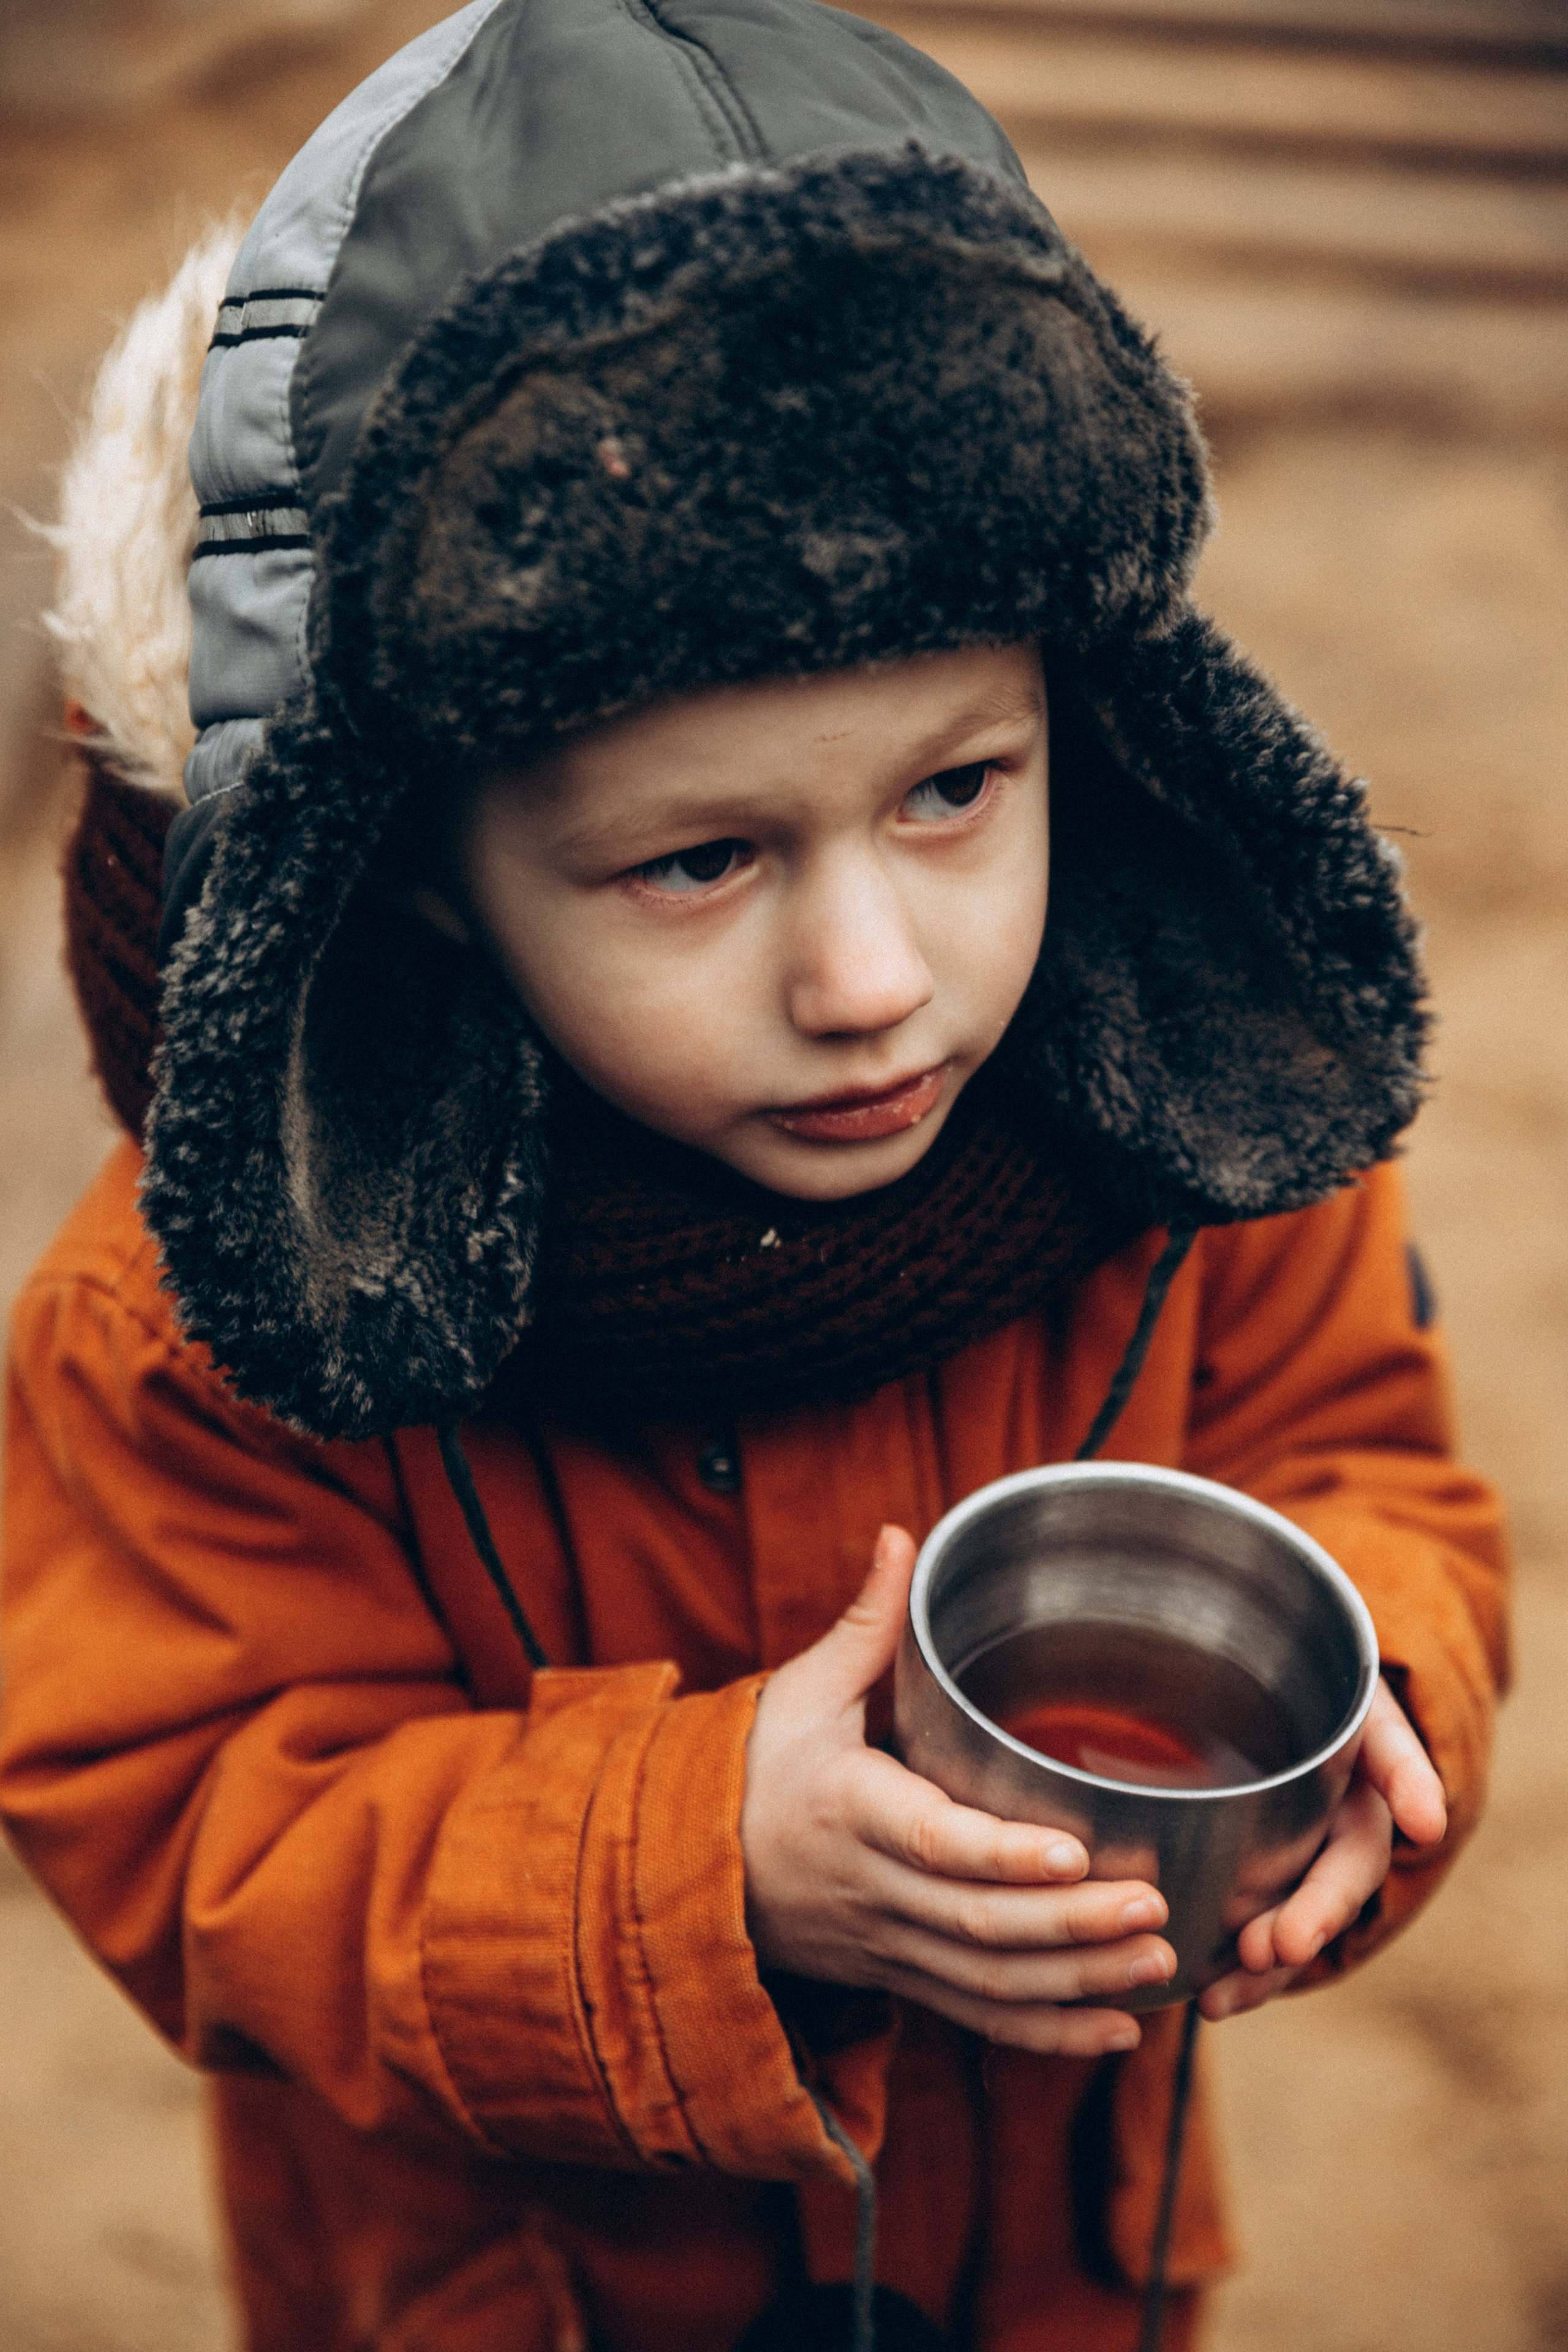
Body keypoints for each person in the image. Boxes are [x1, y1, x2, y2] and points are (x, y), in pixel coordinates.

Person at [0, 5, 1509, 2349]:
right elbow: (180, 1811)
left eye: (953, 789)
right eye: (701, 861)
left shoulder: (1204, 1133)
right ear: (408, 885)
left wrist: (1380, 1701)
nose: (871, 975)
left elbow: (1369, 1468)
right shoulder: (218, 1312)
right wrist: (694, 1872)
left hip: (1053, 2278)